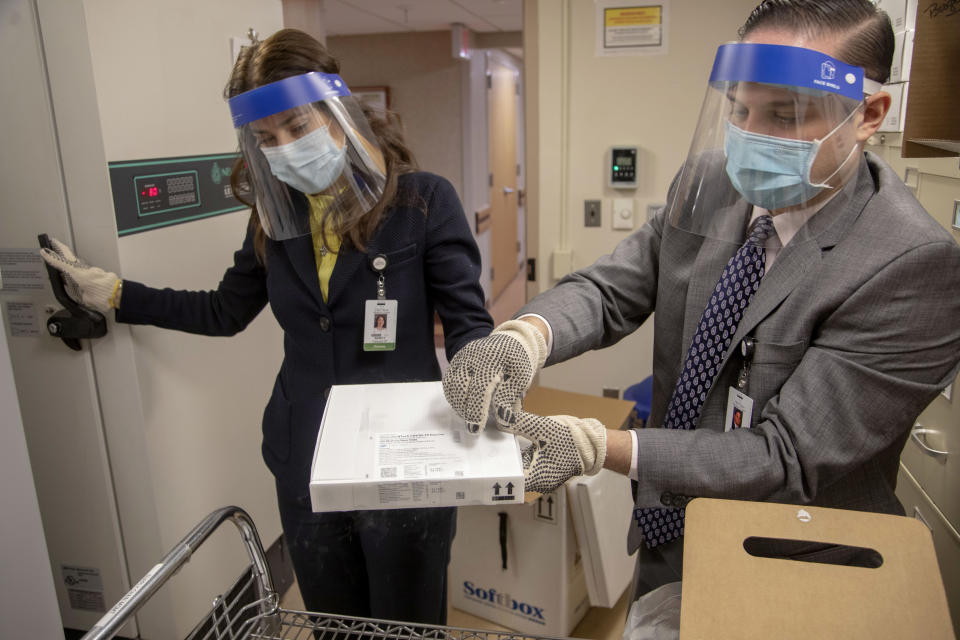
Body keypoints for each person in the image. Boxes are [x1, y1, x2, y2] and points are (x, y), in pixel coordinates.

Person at [443, 0, 960, 597]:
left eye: (785, 114)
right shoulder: (708, 181)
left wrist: (597, 446)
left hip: (791, 566)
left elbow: (784, 457)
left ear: (869, 114)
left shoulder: (911, 264)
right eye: (740, 109)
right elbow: (611, 289)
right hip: (670, 530)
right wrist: (524, 337)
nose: (751, 138)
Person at [41, 29, 493, 623]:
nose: (284, 148)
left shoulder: (422, 202)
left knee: (404, 626)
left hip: (399, 458)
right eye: (266, 138)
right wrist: (117, 294)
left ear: (338, 111)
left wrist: (484, 373)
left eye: (297, 127)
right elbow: (224, 312)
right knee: (332, 623)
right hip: (302, 453)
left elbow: (468, 326)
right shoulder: (275, 216)